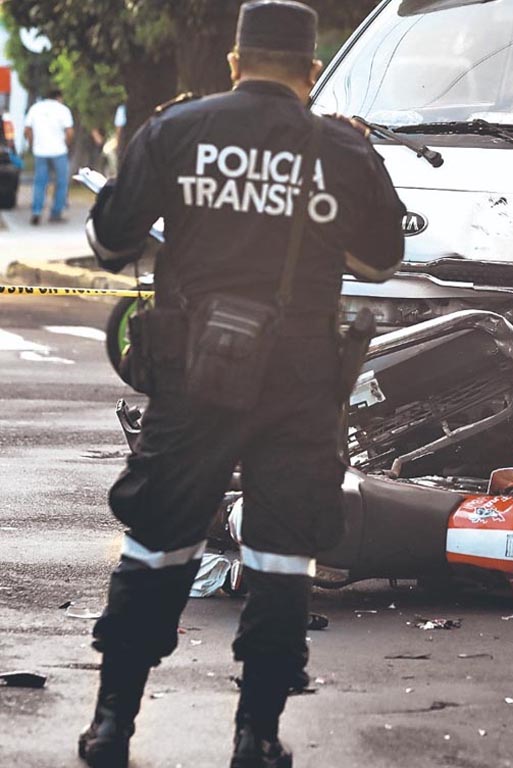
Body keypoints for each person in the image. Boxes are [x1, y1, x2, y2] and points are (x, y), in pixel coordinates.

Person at [77, 2, 406, 766]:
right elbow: (383, 259)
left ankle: (112, 726)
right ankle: (258, 738)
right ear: (311, 72)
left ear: (233, 63)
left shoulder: (177, 131)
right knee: (281, 556)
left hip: (193, 374)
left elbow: (106, 242)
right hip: (297, 382)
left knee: (156, 543)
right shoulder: (340, 151)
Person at [23, 88, 74, 225]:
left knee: (40, 182)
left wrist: (32, 143)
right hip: (59, 151)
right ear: (59, 97)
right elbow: (69, 132)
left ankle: (36, 211)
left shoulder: (35, 108)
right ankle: (56, 213)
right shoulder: (63, 110)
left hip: (40, 151)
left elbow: (27, 130)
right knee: (61, 182)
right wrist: (66, 144)